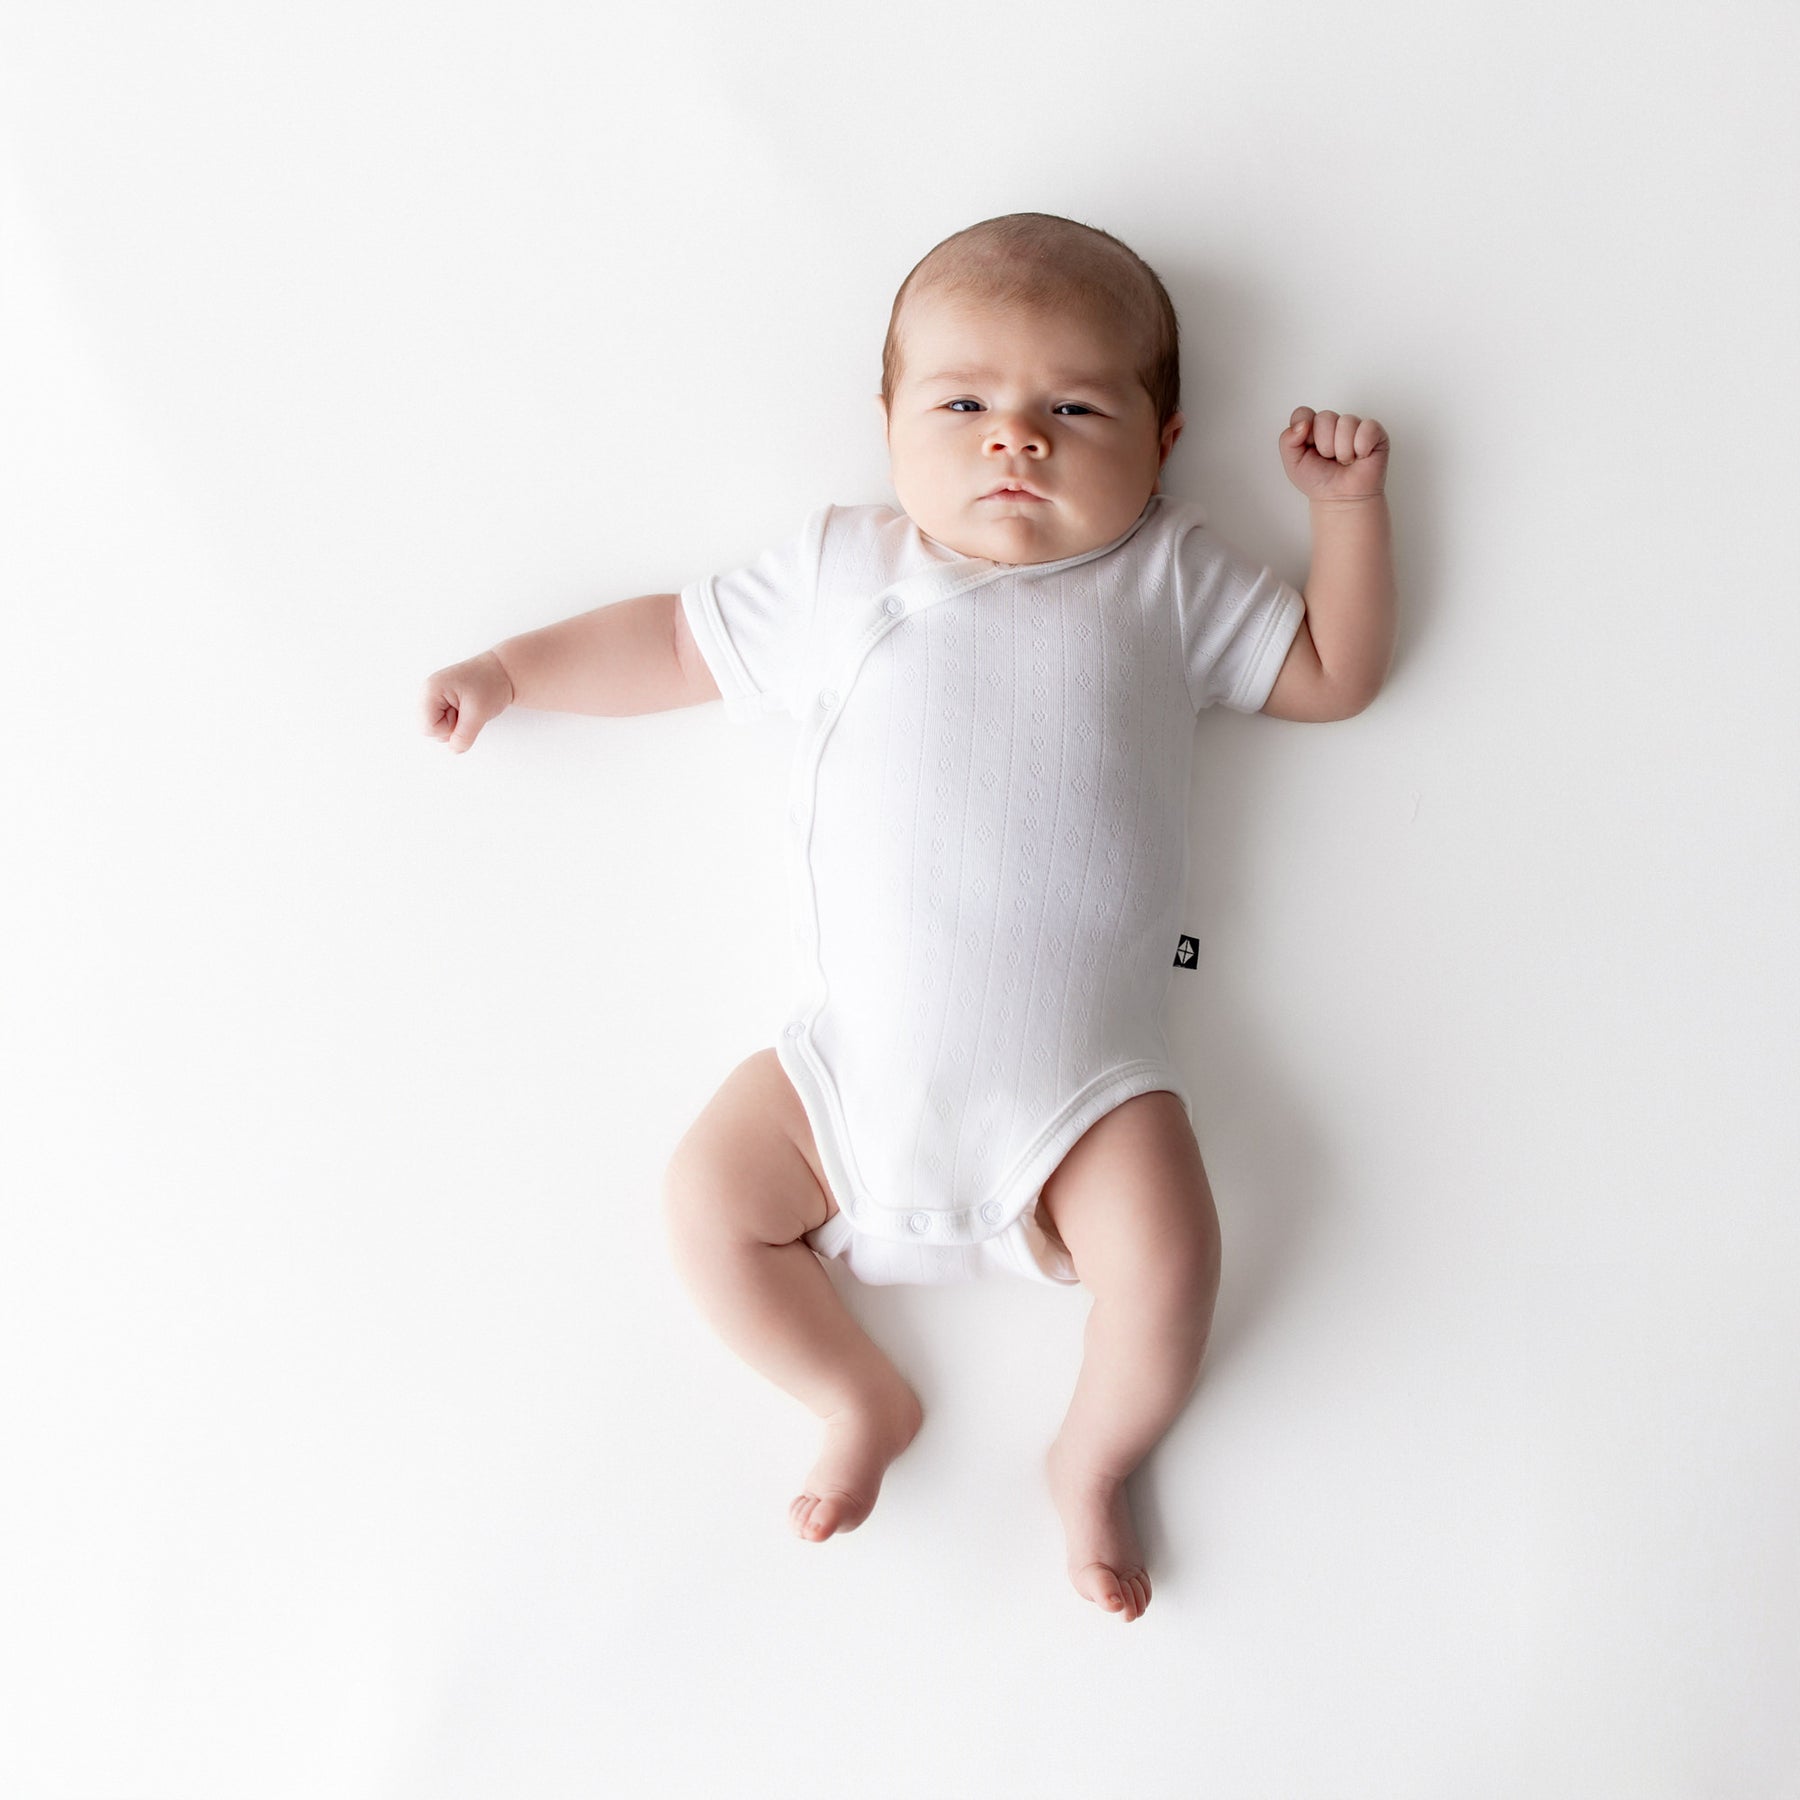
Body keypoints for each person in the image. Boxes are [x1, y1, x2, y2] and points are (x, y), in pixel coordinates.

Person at [418, 212, 1396, 1622]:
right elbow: (678, 643)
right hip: (840, 1085)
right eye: (965, 404)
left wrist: (1347, 517)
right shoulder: (842, 571)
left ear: (1166, 437)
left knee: (1170, 1259)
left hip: (1087, 1099)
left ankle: (1093, 1458)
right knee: (705, 1201)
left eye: (1073, 406)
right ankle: (853, 1392)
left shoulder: (1168, 581)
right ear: (886, 423)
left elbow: (1331, 670)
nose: (1017, 441)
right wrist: (516, 669)